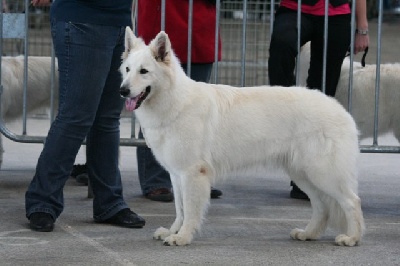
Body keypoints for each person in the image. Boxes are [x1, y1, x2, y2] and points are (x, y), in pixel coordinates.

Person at [26, 0, 145, 232]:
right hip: (82, 18)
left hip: (118, 20)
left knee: (107, 119)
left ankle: (110, 202)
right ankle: (42, 202)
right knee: (75, 117)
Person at [268, 0, 369, 199]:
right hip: (294, 8)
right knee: (282, 46)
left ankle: (306, 181)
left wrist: (362, 29)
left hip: (336, 13)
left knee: (323, 91)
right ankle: (285, 106)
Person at [135, 0, 223, 202]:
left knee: (199, 113)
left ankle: (198, 176)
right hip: (160, 23)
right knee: (153, 108)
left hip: (198, 28)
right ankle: (155, 179)